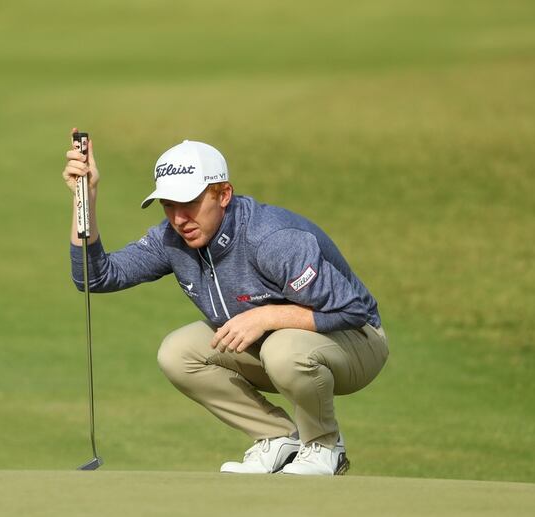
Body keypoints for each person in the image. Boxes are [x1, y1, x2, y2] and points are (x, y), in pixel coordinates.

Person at [61, 131, 389, 475]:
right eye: (168, 205)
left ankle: (324, 446)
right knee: (178, 353)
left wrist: (266, 317)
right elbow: (94, 278)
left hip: (357, 342)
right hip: (272, 346)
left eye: (189, 202)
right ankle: (279, 437)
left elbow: (352, 310)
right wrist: (86, 199)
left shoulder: (271, 238)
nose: (179, 218)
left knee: (283, 349)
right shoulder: (171, 239)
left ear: (223, 194)